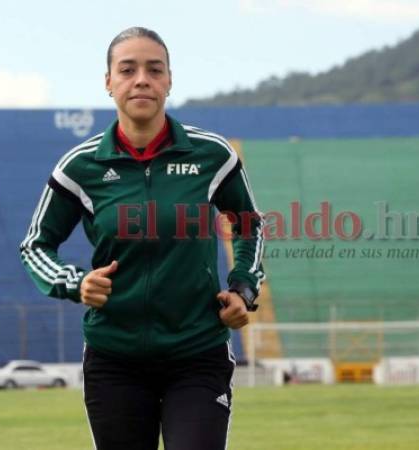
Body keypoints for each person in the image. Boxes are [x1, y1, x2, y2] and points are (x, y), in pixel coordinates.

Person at [19, 26, 265, 450]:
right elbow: (36, 245)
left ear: (169, 80)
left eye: (154, 70)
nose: (141, 80)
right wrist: (76, 283)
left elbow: (249, 224)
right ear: (108, 82)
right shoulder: (79, 166)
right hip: (115, 360)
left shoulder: (212, 155)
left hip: (197, 352)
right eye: (127, 69)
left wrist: (243, 287)